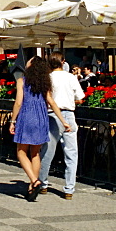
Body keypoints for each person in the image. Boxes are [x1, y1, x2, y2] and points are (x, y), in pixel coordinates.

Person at [9, 55, 71, 201]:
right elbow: (52, 103)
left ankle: (34, 180)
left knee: (21, 152)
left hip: (26, 117)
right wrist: (63, 121)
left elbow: (18, 103)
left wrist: (12, 120)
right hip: (41, 118)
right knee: (35, 153)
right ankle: (32, 186)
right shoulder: (44, 83)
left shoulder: (22, 81)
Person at [38, 52, 84, 200]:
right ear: (63, 62)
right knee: (71, 153)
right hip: (69, 114)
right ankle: (69, 188)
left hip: (51, 114)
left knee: (47, 152)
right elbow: (80, 98)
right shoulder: (71, 77)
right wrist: (70, 101)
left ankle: (43, 183)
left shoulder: (47, 78)